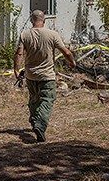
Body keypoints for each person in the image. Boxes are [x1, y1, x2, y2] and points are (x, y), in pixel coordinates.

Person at [13, 10, 75, 142]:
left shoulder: (24, 35)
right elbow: (65, 51)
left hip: (31, 75)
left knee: (34, 99)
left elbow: (19, 53)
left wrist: (16, 70)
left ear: (31, 21)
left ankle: (35, 122)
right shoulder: (52, 34)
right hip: (47, 76)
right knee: (47, 100)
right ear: (44, 20)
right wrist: (71, 61)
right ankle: (40, 126)